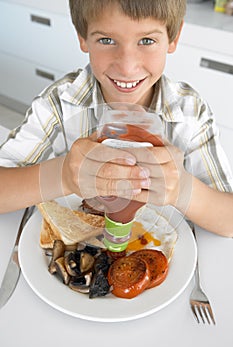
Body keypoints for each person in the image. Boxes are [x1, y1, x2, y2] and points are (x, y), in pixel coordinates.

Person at [0, 0, 232, 237]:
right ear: (82, 37)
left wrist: (183, 190)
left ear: (173, 37)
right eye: (106, 40)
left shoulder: (190, 112)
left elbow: (229, 220)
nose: (127, 67)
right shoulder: (60, 103)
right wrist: (63, 176)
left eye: (147, 41)